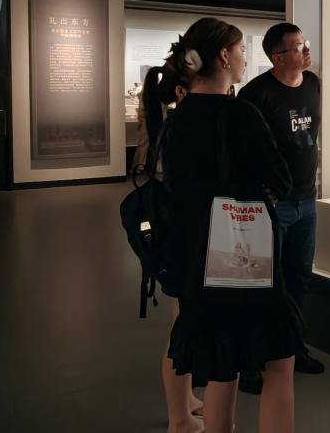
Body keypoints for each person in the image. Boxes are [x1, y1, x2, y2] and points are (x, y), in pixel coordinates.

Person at [164, 17, 300, 433]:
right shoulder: (242, 114)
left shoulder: (178, 118)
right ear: (224, 56)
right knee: (279, 361)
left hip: (196, 257)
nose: (244, 59)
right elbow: (281, 181)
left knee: (222, 362)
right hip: (244, 257)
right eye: (241, 51)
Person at [237, 22, 325, 393]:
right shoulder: (255, 95)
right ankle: (250, 360)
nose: (306, 51)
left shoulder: (312, 84)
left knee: (298, 279)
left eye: (305, 44)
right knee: (262, 282)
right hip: (272, 205)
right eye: (297, 47)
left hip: (306, 201)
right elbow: (244, 151)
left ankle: (291, 347)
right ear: (277, 57)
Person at [137, 66, 202, 433]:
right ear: (181, 92)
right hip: (183, 237)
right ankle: (179, 416)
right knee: (182, 327)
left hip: (178, 235)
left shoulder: (170, 126)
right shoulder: (179, 129)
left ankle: (185, 401)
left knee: (184, 321)